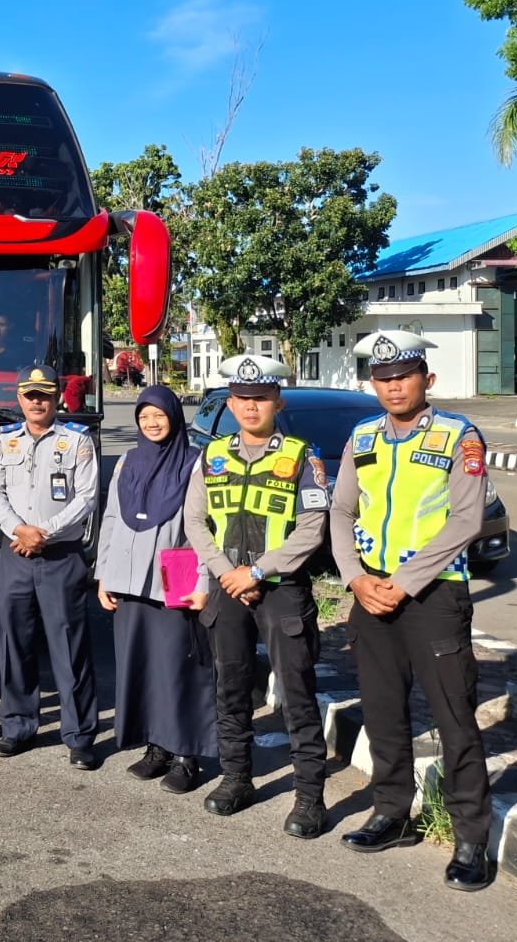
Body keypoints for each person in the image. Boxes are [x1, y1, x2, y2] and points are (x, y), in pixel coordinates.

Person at [331, 330, 494, 891]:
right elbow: (340, 512)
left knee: (454, 718)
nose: (393, 385)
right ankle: (392, 812)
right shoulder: (363, 436)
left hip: (434, 597)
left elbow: (466, 520)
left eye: (403, 375)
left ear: (427, 378)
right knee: (381, 712)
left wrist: (402, 582)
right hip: (370, 596)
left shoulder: (459, 436)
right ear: (371, 383)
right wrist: (354, 577)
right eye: (383, 377)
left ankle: (472, 836)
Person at [182, 354, 330, 839]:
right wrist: (227, 573)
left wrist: (259, 570)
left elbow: (312, 528)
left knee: (297, 692)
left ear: (276, 401)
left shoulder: (302, 457)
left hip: (281, 588)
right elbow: (194, 522)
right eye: (242, 398)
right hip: (228, 589)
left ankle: (310, 797)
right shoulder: (213, 455)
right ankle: (236, 778)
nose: (251, 406)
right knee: (231, 686)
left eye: (260, 398)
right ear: (230, 402)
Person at [95, 385, 214, 793]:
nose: (151, 422)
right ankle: (156, 748)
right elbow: (111, 516)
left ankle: (186, 755)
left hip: (174, 578)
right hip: (127, 578)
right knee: (141, 665)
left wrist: (204, 583)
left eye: (159, 414)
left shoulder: (195, 463)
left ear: (174, 416)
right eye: (144, 416)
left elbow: (205, 528)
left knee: (178, 666)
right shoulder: (128, 460)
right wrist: (103, 576)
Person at [0, 365, 101, 766]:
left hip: (59, 556)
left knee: (69, 648)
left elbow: (86, 498)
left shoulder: (77, 441)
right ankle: (17, 726)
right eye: (29, 394)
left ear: (56, 399)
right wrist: (19, 529)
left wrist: (42, 533)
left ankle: (80, 735)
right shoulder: (5, 439)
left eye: (45, 395)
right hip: (15, 554)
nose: (37, 401)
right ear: (19, 399)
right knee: (14, 644)